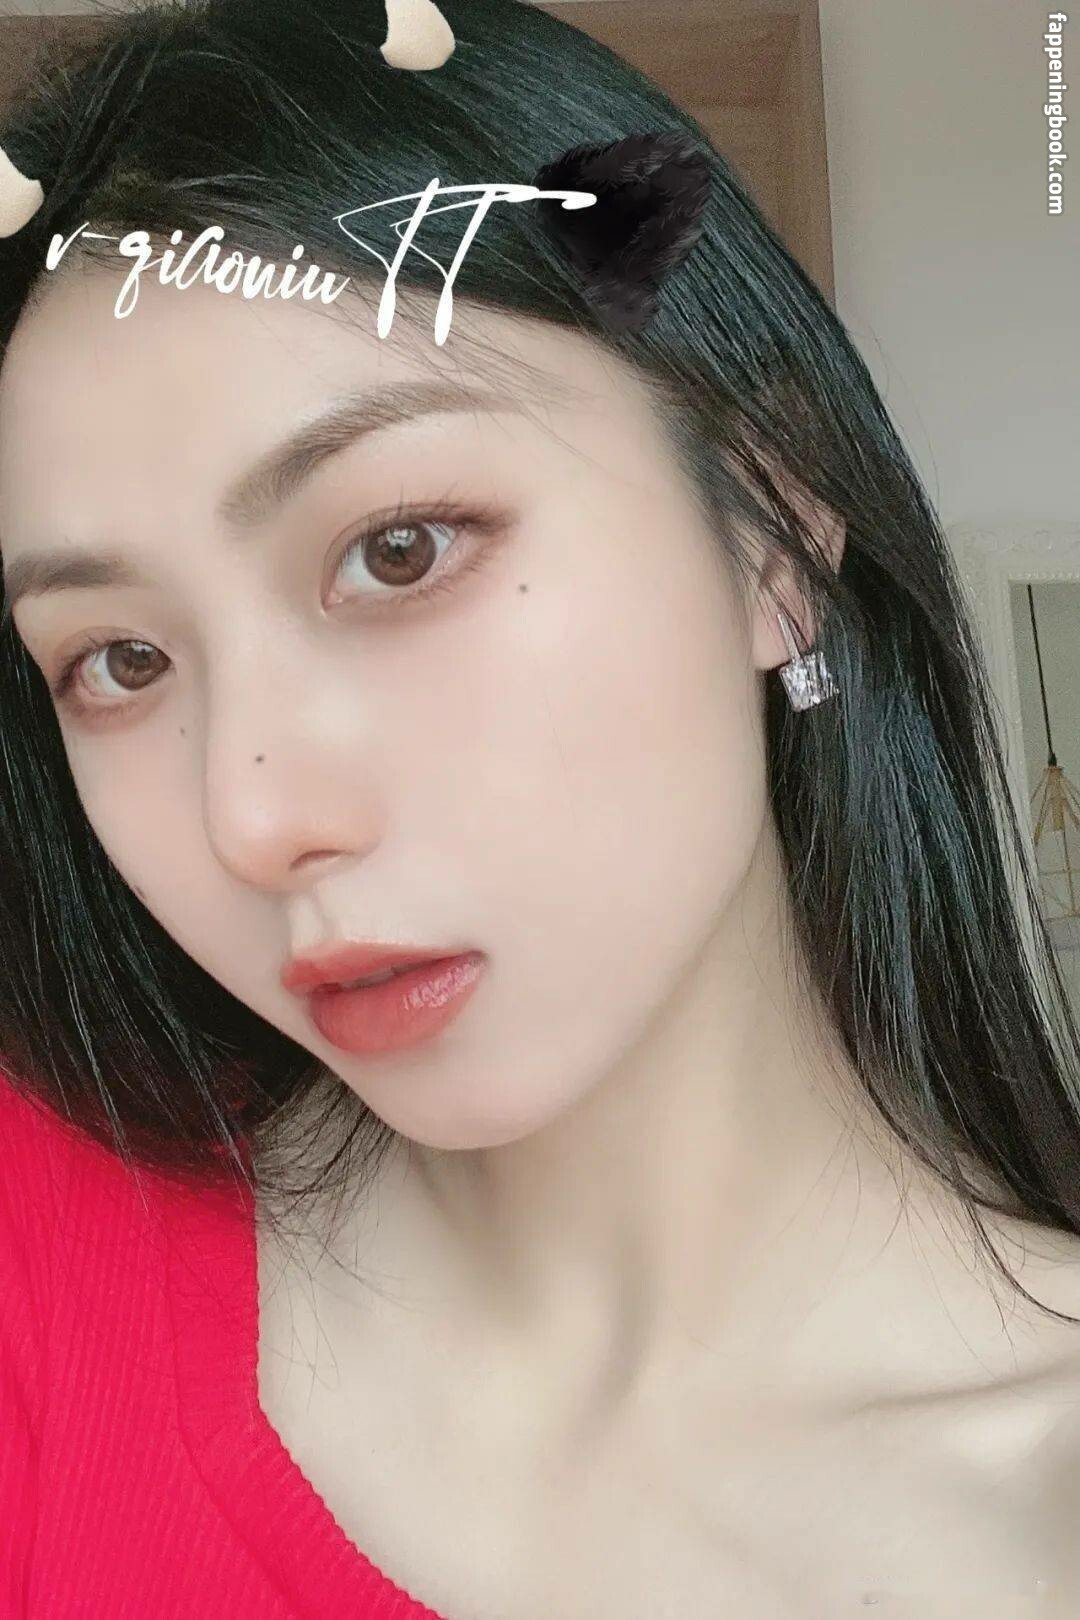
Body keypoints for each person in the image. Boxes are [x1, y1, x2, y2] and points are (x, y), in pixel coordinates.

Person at [1, 1, 1079, 1615]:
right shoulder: (37, 1252)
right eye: (122, 660)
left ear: (773, 526)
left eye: (399, 551)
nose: (253, 818)